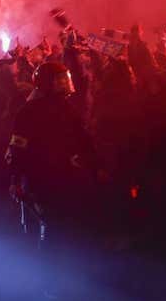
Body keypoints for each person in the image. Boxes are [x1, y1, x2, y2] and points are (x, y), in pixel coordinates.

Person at [6, 61, 100, 254]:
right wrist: (15, 179)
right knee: (46, 225)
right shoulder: (28, 111)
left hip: (64, 175)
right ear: (47, 82)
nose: (64, 84)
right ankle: (47, 266)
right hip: (38, 177)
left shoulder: (67, 108)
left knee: (63, 223)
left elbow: (83, 138)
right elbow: (18, 147)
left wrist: (95, 164)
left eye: (65, 80)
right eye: (59, 80)